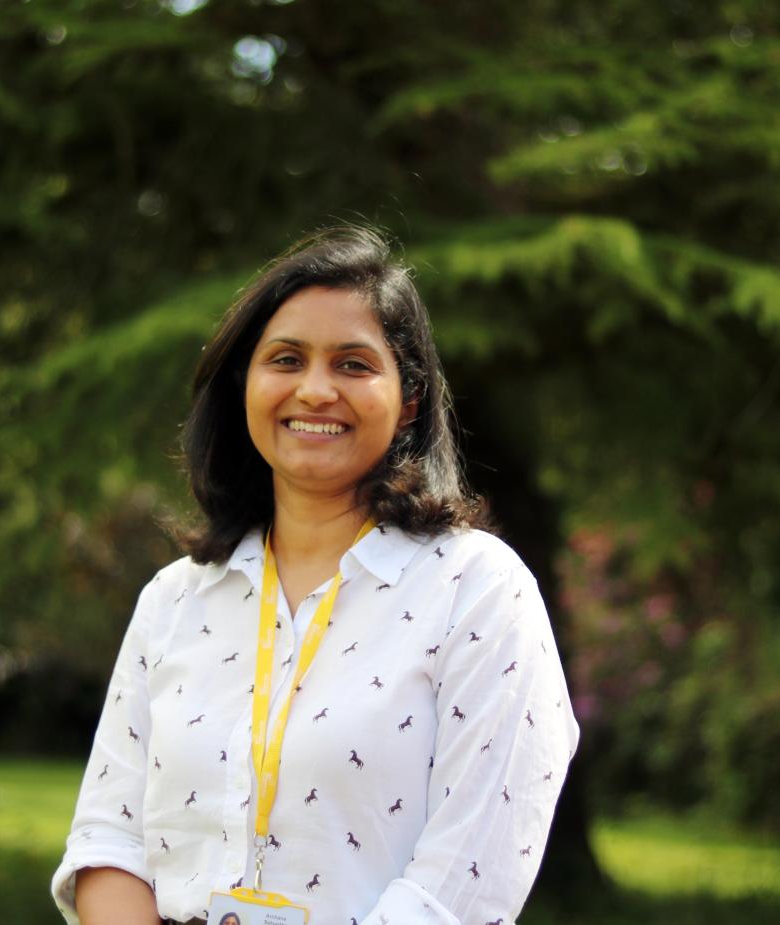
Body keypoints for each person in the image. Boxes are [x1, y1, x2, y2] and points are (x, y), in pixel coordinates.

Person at [52, 227, 579, 925]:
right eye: (286, 358)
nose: (316, 388)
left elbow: (465, 879)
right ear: (247, 385)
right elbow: (107, 841)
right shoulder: (175, 600)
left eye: (355, 364)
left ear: (410, 399)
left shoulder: (477, 591)